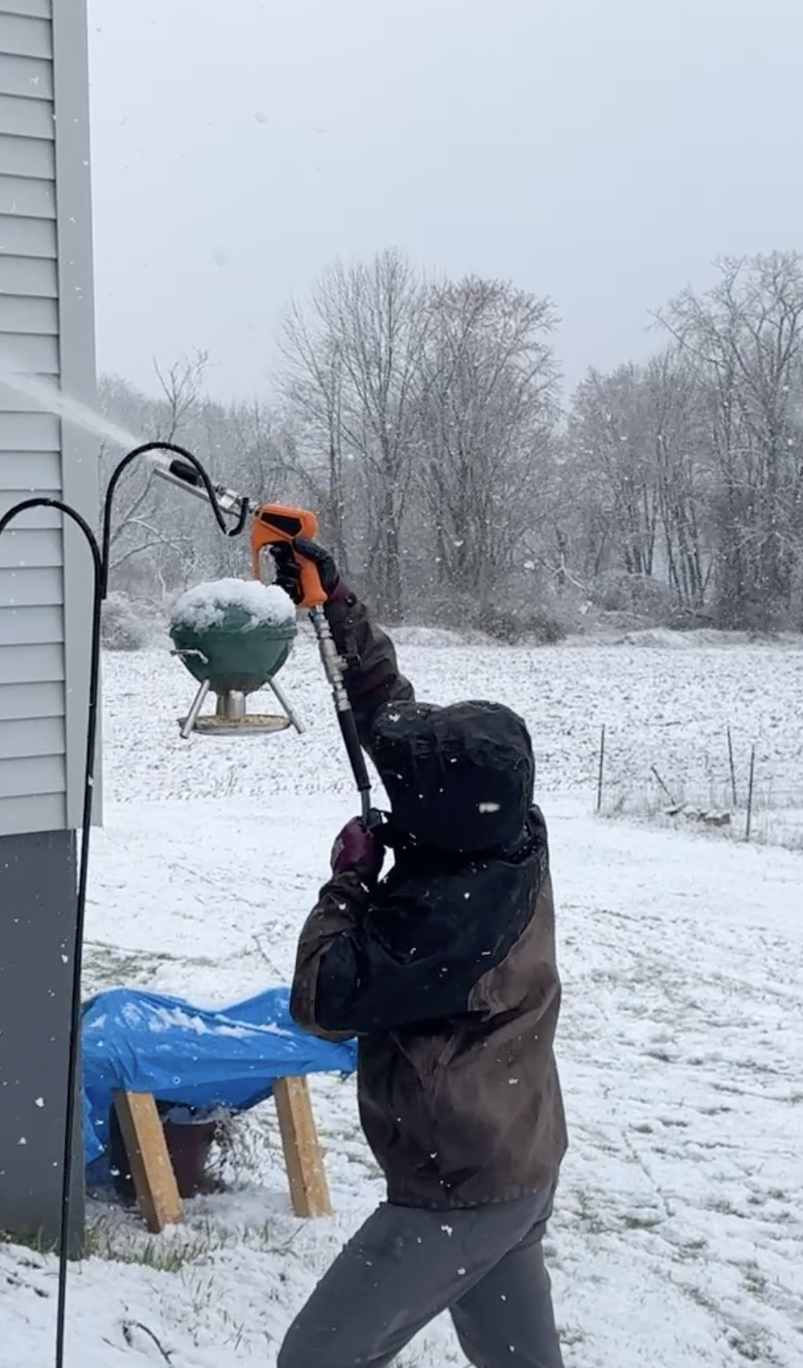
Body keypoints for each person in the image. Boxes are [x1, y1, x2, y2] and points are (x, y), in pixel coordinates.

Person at [270, 536, 567, 1368]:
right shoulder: (510, 836)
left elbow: (322, 995)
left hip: (460, 1189)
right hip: (520, 1157)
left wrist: (349, 883)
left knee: (316, 1358)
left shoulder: (445, 927)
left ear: (442, 817)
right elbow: (391, 719)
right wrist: (331, 602)